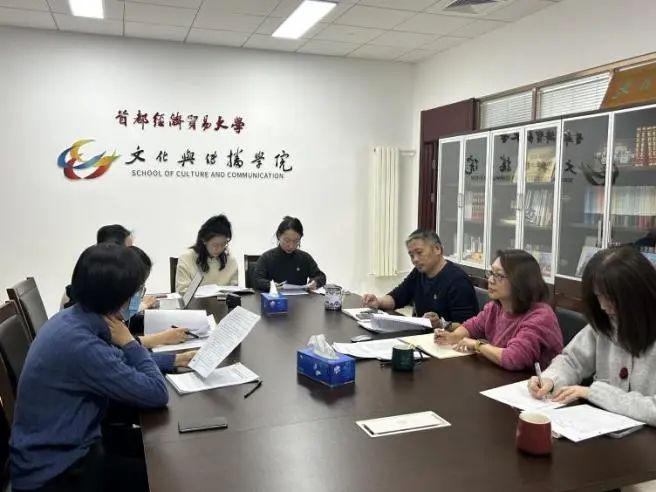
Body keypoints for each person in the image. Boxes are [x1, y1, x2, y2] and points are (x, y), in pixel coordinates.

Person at [10, 244, 169, 492]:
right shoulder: (81, 345)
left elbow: (117, 363)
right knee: (168, 475)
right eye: (137, 291)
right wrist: (130, 342)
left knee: (160, 449)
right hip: (58, 474)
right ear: (117, 297)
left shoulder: (73, 318)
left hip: (63, 448)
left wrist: (175, 360)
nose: (139, 297)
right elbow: (157, 392)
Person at [529, 246, 656, 426]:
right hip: (601, 427)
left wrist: (593, 393)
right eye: (598, 296)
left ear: (638, 294)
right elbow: (571, 361)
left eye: (610, 298)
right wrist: (551, 379)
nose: (603, 306)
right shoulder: (606, 323)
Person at [435, 249, 562, 371]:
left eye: (499, 275)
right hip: (503, 377)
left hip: (535, 382)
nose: (490, 280)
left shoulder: (541, 316)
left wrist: (477, 345)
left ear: (520, 282)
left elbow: (514, 358)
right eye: (491, 273)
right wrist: (453, 336)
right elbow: (472, 326)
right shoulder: (496, 306)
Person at [362, 229, 478, 324]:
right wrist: (378, 302)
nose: (415, 260)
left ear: (437, 249)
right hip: (422, 335)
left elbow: (467, 326)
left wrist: (441, 324)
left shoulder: (458, 280)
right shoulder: (419, 273)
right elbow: (397, 297)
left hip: (448, 341)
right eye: (411, 255)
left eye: (419, 252)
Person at [62, 224, 155, 311]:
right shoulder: (101, 284)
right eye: (129, 249)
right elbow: (118, 315)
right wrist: (139, 306)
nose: (132, 254)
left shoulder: (90, 267)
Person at [252, 216, 326, 291]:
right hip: (275, 297)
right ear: (279, 236)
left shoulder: (305, 258)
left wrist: (315, 282)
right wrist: (272, 285)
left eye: (296, 241)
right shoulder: (266, 258)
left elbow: (321, 276)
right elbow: (257, 280)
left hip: (300, 298)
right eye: (287, 240)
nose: (291, 246)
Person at [176, 214, 238, 294]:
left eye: (223, 244)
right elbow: (182, 292)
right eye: (215, 245)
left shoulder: (231, 261)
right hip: (196, 302)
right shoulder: (187, 258)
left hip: (223, 302)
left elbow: (234, 291)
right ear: (204, 240)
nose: (219, 249)